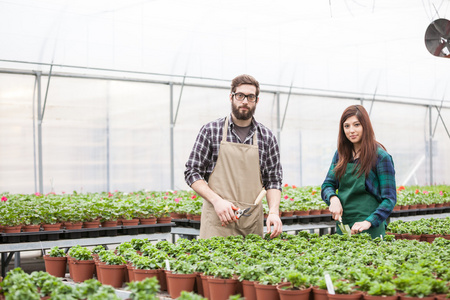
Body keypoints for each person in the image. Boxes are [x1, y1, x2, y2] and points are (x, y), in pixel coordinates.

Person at [184, 74, 283, 239]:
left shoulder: (266, 137)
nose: (245, 101)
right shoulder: (211, 131)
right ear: (231, 97)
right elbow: (192, 172)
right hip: (217, 222)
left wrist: (273, 211)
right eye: (240, 95)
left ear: (256, 100)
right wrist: (216, 201)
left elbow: (273, 180)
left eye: (250, 97)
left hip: (251, 223)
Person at [321, 105, 396, 239]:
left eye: (356, 125)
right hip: (344, 225)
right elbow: (327, 185)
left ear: (365, 126)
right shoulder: (341, 155)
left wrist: (369, 222)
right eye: (347, 126)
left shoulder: (380, 157)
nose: (351, 131)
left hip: (370, 227)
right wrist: (333, 199)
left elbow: (389, 199)